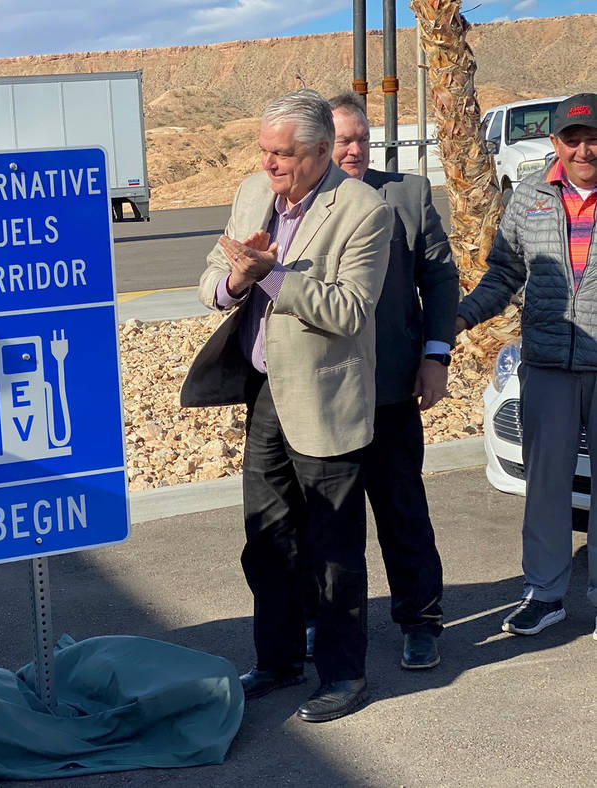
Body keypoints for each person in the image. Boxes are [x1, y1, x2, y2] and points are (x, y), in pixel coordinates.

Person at [181, 89, 392, 722]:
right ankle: (277, 661)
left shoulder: (363, 210)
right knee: (266, 537)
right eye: (265, 151)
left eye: (284, 154)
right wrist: (236, 279)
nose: (270, 164)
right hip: (265, 392)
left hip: (326, 398)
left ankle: (343, 675)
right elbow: (209, 281)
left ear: (322, 151)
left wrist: (272, 275)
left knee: (332, 546)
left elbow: (351, 311)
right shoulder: (253, 191)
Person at [307, 92, 459, 670]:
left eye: (361, 139)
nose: (353, 149)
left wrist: (436, 355)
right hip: (325, 394)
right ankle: (327, 625)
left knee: (402, 511)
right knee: (326, 519)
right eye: (342, 140)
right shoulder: (301, 204)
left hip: (392, 389)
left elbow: (441, 280)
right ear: (320, 144)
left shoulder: (409, 196)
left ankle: (420, 621)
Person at [457, 93, 597, 636]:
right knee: (545, 488)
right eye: (573, 138)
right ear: (556, 142)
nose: (584, 148)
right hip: (548, 366)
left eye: (593, 137)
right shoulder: (531, 197)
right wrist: (461, 318)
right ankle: (545, 594)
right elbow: (502, 274)